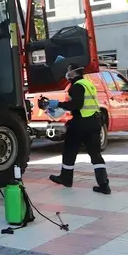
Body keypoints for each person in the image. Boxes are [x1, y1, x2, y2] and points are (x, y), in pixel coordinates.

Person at [43, 63, 112, 195]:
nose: (66, 74)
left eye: (68, 71)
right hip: (94, 122)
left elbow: (76, 105)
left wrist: (58, 104)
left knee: (69, 151)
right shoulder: (88, 84)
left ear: (73, 73)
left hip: (81, 123)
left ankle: (66, 179)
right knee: (95, 154)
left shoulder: (77, 86)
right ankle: (104, 184)